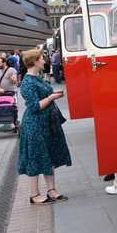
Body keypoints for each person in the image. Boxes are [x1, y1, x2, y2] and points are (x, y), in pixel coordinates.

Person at [17, 48, 71, 204]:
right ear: (34, 61)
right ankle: (34, 195)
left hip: (47, 123)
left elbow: (43, 95)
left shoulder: (37, 78)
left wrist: (53, 93)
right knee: (35, 157)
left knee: (49, 154)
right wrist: (52, 96)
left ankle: (51, 190)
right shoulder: (27, 82)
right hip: (35, 124)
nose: (44, 60)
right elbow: (34, 106)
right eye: (41, 58)